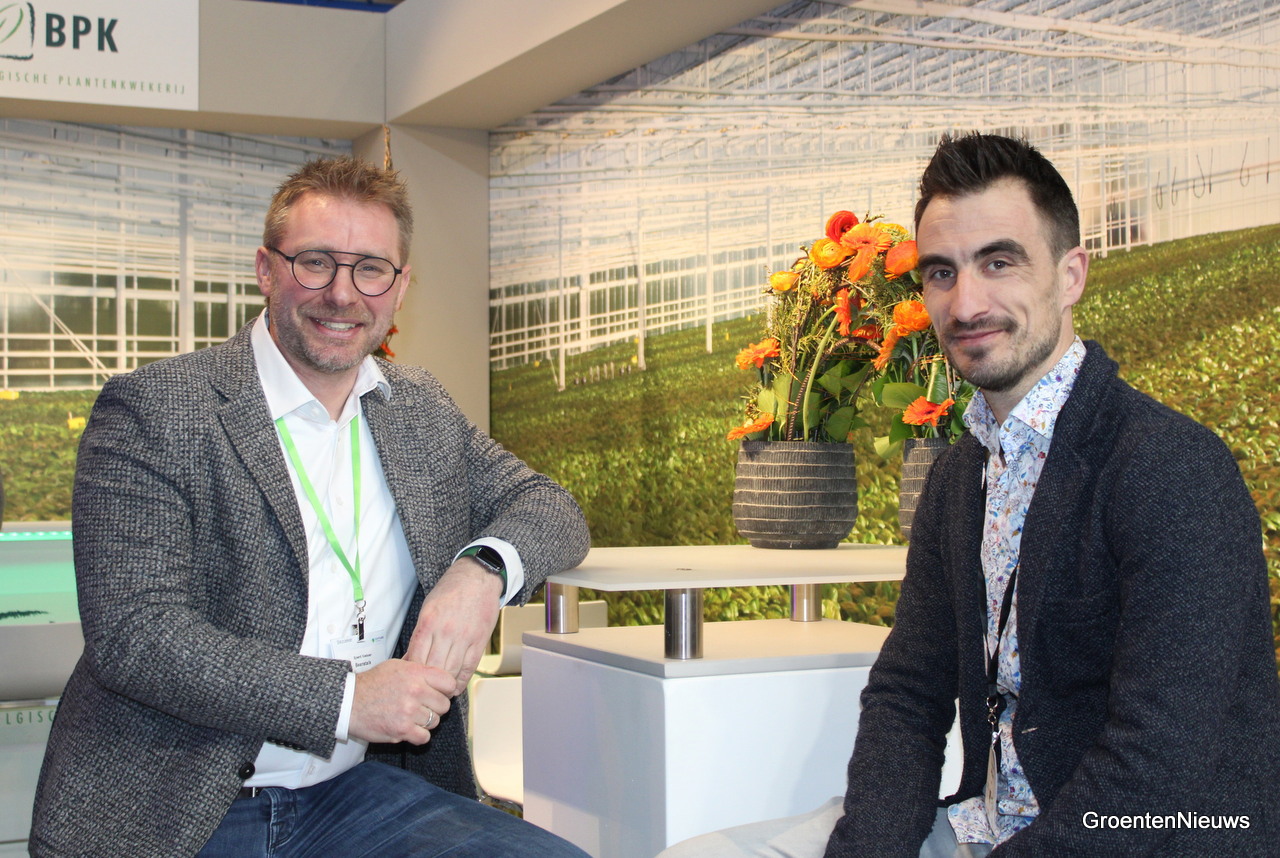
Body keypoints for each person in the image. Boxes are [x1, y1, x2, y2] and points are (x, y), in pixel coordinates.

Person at [661, 133, 1280, 857]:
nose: (966, 303)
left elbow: (1160, 762)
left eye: (999, 262)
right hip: (981, 826)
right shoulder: (961, 476)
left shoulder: (1168, 467)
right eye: (941, 273)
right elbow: (908, 693)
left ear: (1071, 276)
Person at [30, 156, 592, 857]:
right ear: (266, 270)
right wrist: (349, 702)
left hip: (350, 798)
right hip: (180, 807)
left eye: (370, 269)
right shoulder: (159, 408)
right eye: (316, 262)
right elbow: (137, 635)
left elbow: (550, 506)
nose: (342, 293)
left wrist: (481, 573)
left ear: (400, 287)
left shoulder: (419, 410)